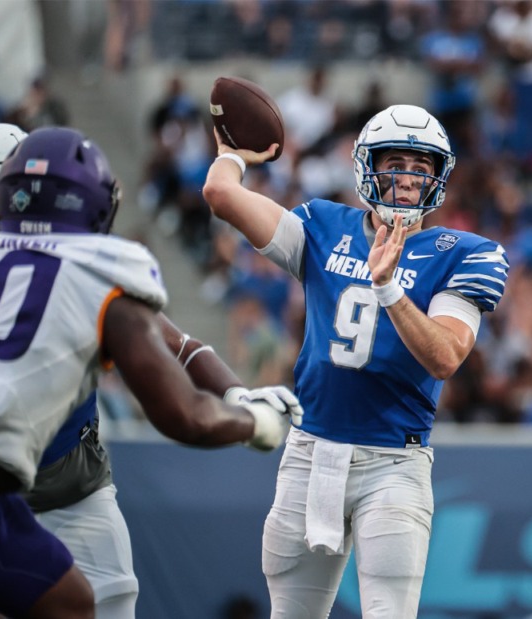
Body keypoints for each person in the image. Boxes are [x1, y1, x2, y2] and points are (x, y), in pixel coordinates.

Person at [0, 125, 303, 618]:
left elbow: (179, 347)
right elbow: (183, 415)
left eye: (10, 201)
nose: (0, 219)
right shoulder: (87, 272)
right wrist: (256, 422)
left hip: (24, 478)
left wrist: (236, 394)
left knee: (80, 602)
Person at [202, 104, 509, 617]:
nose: (409, 178)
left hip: (394, 463)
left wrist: (388, 287)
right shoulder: (322, 225)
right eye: (397, 163)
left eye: (422, 166)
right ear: (368, 167)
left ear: (439, 176)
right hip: (308, 451)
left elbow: (445, 357)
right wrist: (232, 155)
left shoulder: (464, 252)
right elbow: (220, 195)